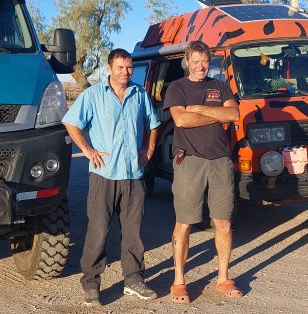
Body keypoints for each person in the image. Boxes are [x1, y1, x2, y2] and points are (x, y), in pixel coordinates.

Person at [63, 48, 161, 307]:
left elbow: (154, 124)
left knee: (133, 231)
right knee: (98, 230)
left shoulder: (139, 94)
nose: (125, 72)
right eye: (120, 67)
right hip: (103, 175)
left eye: (129, 67)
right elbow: (71, 122)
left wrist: (149, 149)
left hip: (133, 175)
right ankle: (92, 283)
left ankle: (133, 279)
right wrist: (87, 149)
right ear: (109, 68)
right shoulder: (93, 95)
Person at [163, 40, 242, 303]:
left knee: (224, 221)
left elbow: (234, 114)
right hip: (190, 161)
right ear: (187, 62)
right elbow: (181, 119)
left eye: (204, 61)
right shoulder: (177, 87)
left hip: (220, 160)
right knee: (184, 223)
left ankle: (223, 278)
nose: (200, 66)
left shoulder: (219, 85)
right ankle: (179, 281)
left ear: (210, 61)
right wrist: (216, 114)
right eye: (195, 61)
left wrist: (198, 109)